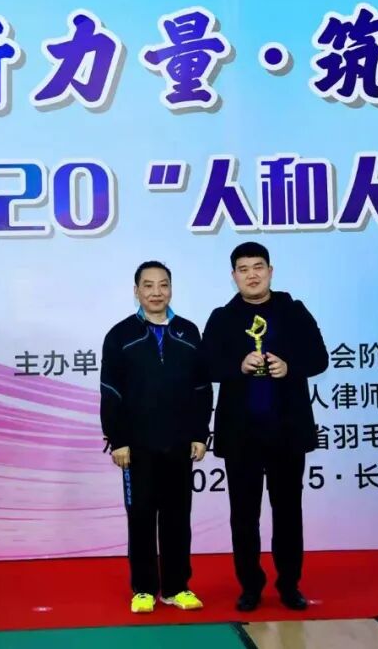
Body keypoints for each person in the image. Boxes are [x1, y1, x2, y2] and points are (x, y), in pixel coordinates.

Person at [202, 242, 328, 612]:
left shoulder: (293, 311)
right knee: (244, 516)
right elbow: (205, 365)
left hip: (286, 432)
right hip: (242, 435)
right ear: (234, 276)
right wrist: (236, 366)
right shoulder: (222, 318)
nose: (252, 275)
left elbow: (319, 357)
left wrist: (290, 367)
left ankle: (289, 585)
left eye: (258, 267)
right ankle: (250, 586)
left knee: (288, 512)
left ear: (270, 271)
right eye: (243, 269)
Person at [99, 261, 212, 614]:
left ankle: (177, 587)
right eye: (148, 285)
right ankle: (144, 588)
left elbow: (202, 387)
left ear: (171, 289)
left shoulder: (188, 332)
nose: (156, 292)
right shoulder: (120, 335)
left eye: (163, 285)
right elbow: (110, 391)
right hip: (137, 446)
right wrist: (117, 439)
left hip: (179, 443)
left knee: (178, 517)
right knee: (141, 517)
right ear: (136, 291)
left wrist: (200, 433)